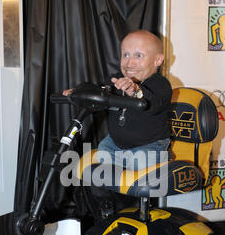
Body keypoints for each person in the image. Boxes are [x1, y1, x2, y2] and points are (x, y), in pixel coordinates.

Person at [63, 29, 172, 170]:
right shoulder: (116, 80)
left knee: (140, 166)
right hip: (115, 145)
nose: (130, 63)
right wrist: (81, 91)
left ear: (157, 60)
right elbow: (99, 91)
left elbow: (156, 104)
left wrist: (136, 91)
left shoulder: (160, 84)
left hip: (150, 146)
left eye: (138, 55)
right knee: (101, 155)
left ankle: (165, 157)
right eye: (125, 55)